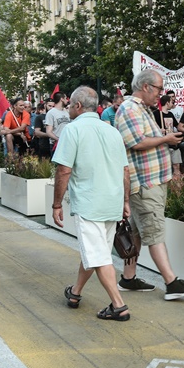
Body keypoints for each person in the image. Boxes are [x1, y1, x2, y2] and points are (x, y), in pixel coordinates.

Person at [114, 69, 184, 300]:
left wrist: (166, 137)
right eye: (159, 89)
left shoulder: (141, 109)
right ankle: (171, 283)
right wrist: (166, 139)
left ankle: (128, 278)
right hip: (145, 182)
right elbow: (136, 142)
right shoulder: (130, 109)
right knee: (154, 231)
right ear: (146, 87)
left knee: (136, 233)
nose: (161, 94)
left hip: (150, 180)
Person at [53, 86, 132, 321]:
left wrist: (57, 204)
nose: (68, 108)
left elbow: (64, 170)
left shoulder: (73, 129)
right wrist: (125, 201)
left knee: (98, 256)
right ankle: (75, 293)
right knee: (95, 251)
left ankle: (119, 306)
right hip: (112, 201)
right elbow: (125, 170)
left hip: (89, 203)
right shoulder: (111, 131)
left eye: (69, 104)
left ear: (78, 106)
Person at [153, 94, 182, 175]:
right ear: (167, 103)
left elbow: (177, 126)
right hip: (163, 145)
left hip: (173, 144)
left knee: (176, 166)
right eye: (171, 102)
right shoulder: (155, 114)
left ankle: (177, 186)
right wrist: (159, 130)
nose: (173, 104)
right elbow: (151, 129)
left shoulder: (171, 114)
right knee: (166, 169)